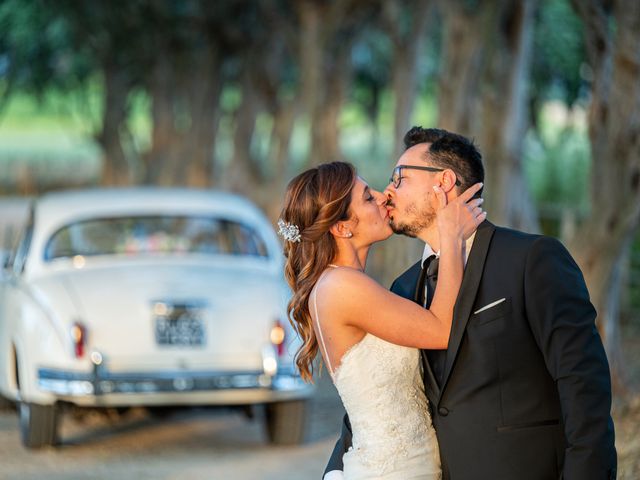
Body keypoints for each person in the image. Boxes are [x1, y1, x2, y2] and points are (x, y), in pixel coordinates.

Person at [324, 127, 617, 480]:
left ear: (444, 181)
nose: (387, 192)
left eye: (399, 179)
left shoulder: (530, 259)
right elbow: (377, 398)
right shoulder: (403, 287)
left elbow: (583, 381)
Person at [279, 161, 485, 479]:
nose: (383, 195)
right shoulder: (342, 287)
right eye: (367, 197)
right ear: (342, 227)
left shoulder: (342, 283)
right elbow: (443, 330)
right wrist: (451, 236)